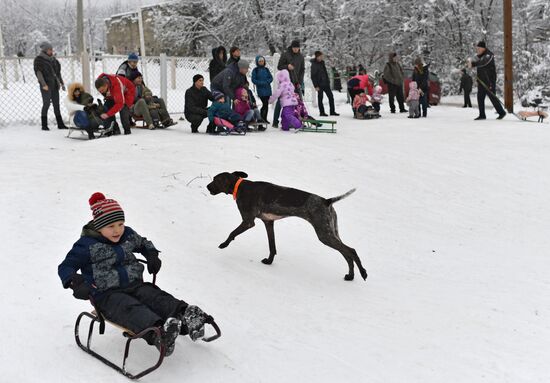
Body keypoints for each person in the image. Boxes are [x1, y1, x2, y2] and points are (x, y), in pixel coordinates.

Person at [58, 192, 214, 356]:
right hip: (107, 295)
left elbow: (143, 243)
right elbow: (66, 266)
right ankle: (159, 334)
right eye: (111, 226)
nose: (117, 230)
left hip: (135, 284)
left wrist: (151, 254)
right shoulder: (86, 245)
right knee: (131, 308)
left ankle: (186, 315)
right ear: (98, 226)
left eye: (120, 224)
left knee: (156, 297)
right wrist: (74, 281)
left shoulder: (127, 234)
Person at [33, 41, 68, 131]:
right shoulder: (39, 60)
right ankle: (44, 125)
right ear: (45, 50)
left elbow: (58, 73)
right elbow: (39, 73)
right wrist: (43, 84)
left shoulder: (54, 60)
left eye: (52, 49)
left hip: (55, 85)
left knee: (56, 104)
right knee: (46, 104)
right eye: (49, 49)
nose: (51, 51)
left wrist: (62, 83)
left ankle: (60, 124)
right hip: (46, 85)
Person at [469, 41, 506, 120]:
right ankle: (482, 115)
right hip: (481, 81)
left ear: (483, 48)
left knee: (492, 97)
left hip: (489, 81)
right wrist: (469, 63)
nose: (477, 50)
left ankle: (502, 112)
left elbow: (483, 62)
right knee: (480, 97)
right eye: (477, 48)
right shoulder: (480, 56)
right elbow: (477, 62)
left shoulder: (489, 55)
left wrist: (473, 64)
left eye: (479, 48)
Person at [273, 40, 305, 128]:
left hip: (296, 82)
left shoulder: (301, 57)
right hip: (285, 82)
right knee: (281, 101)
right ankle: (275, 121)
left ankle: (297, 120)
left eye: (297, 48)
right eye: (294, 48)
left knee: (298, 102)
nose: (296, 49)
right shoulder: (285, 54)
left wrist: (300, 82)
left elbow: (302, 70)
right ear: (291, 47)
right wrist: (287, 66)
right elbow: (279, 66)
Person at [311, 51, 339, 117]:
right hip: (319, 84)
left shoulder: (322, 63)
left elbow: (325, 73)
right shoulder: (314, 65)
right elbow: (313, 76)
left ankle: (332, 111)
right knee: (320, 98)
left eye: (322, 56)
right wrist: (316, 86)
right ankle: (322, 112)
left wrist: (328, 81)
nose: (321, 57)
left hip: (326, 83)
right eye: (320, 56)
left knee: (331, 97)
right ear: (317, 56)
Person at [251, 55, 273, 123]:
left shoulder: (266, 69)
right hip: (261, 90)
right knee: (264, 103)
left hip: (267, 89)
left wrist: (267, 82)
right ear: (257, 62)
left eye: (262, 61)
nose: (261, 62)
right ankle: (261, 118)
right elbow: (253, 80)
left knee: (266, 105)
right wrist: (261, 83)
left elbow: (271, 78)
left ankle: (264, 118)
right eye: (260, 61)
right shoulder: (255, 70)